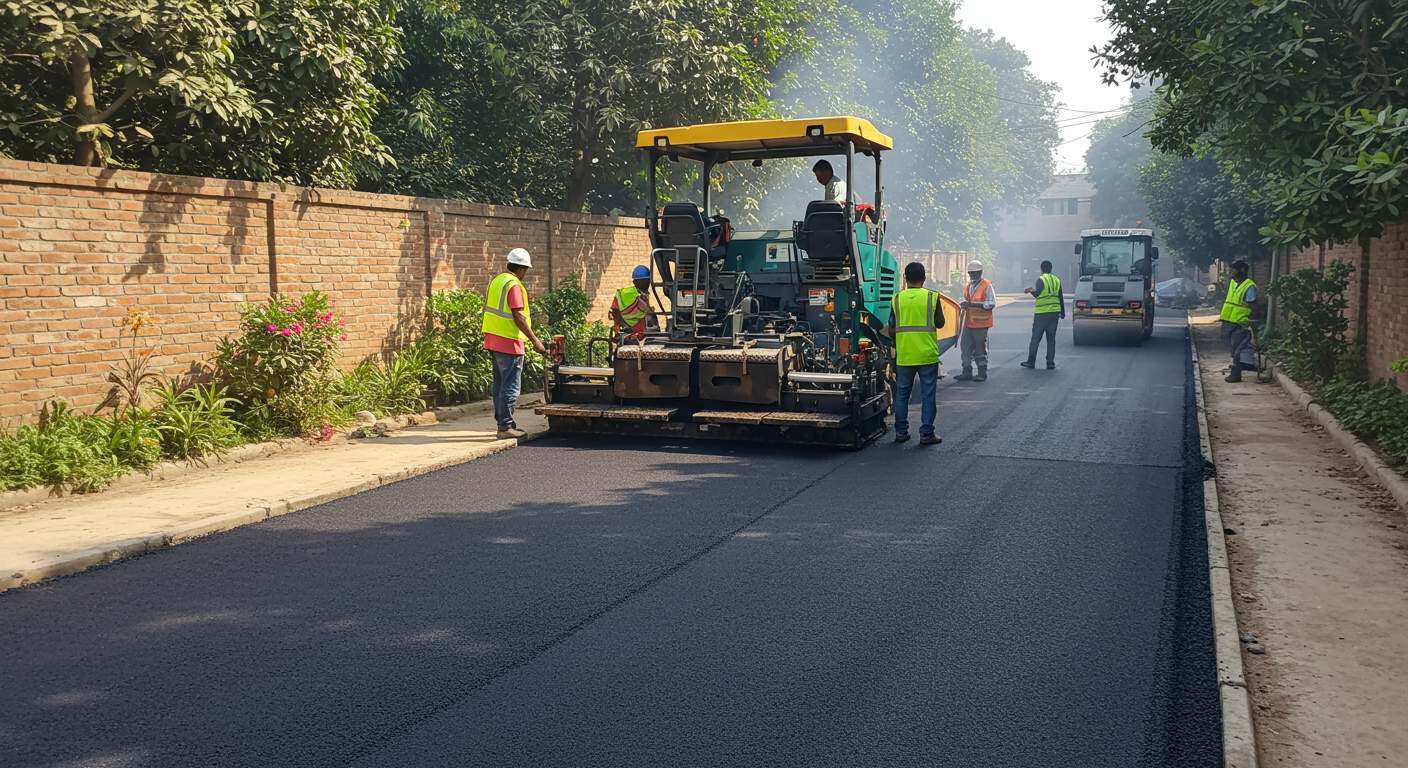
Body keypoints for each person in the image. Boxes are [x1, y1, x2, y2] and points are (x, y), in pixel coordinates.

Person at [483, 247, 547, 440]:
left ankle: (503, 422)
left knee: (499, 385)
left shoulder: (497, 281)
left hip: (493, 339)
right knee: (511, 385)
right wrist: (535, 340)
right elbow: (518, 315)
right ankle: (505, 427)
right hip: (510, 342)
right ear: (522, 269)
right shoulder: (514, 285)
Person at [888, 261, 945, 445]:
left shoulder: (896, 299)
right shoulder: (932, 297)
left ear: (905, 278)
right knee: (928, 394)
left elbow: (891, 328)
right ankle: (927, 434)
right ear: (924, 278)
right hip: (927, 355)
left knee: (902, 394)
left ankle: (901, 432)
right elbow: (940, 323)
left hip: (905, 355)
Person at [956, 259, 996, 382]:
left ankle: (982, 372)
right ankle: (966, 370)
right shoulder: (969, 286)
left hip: (981, 323)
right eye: (970, 273)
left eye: (975, 273)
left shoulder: (987, 285)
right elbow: (967, 300)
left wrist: (973, 304)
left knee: (980, 348)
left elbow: (991, 303)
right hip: (969, 322)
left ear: (980, 272)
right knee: (965, 346)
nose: (972, 275)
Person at [1220, 259, 1259, 383]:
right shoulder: (1233, 283)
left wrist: (1251, 321)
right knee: (1232, 348)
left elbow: (1253, 305)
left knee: (1236, 348)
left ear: (1241, 270)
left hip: (1240, 323)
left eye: (1233, 269)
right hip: (1229, 321)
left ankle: (1236, 374)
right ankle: (1238, 369)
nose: (1230, 271)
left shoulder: (1249, 286)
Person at [1021, 260, 1064, 370]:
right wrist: (1062, 312)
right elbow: (1060, 297)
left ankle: (1031, 361)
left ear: (1041, 269)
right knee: (1051, 339)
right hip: (1054, 314)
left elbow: (1038, 294)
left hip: (1042, 314)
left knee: (1035, 338)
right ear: (1051, 268)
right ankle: (1050, 362)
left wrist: (1030, 290)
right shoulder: (1056, 280)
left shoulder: (1041, 279)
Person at [610, 265, 655, 343]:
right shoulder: (642, 297)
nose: (647, 285)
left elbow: (614, 310)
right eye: (646, 282)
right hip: (635, 333)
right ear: (649, 281)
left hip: (629, 332)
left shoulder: (623, 293)